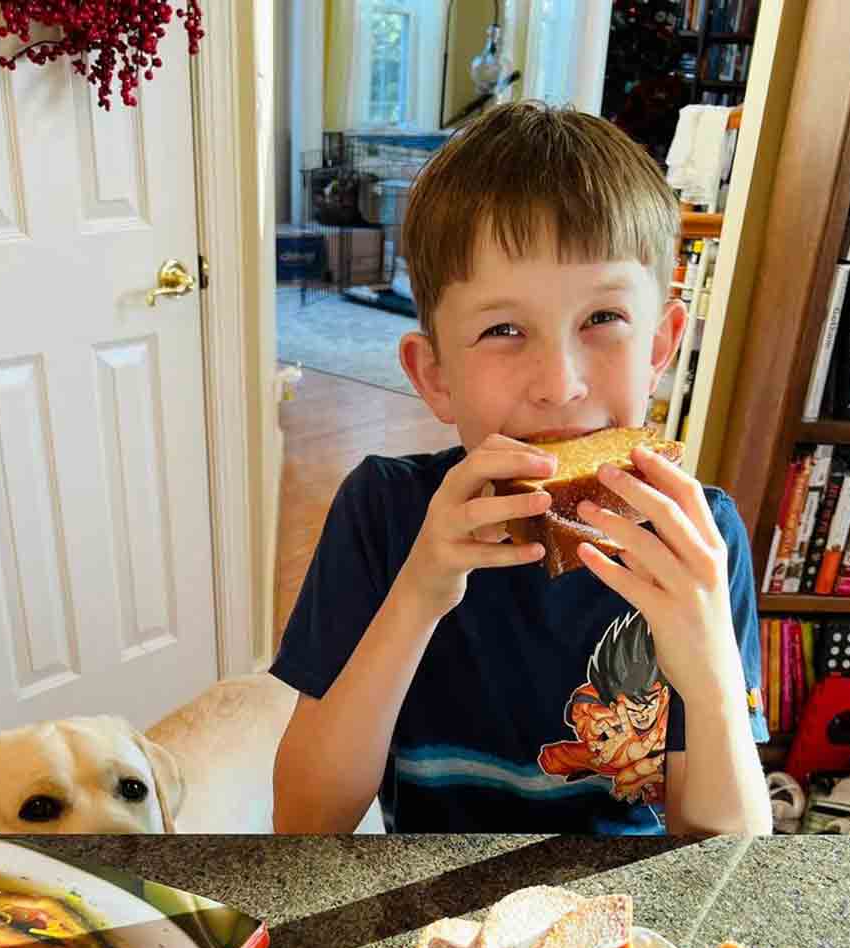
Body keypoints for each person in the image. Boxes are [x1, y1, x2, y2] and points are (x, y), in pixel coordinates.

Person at [272, 101, 771, 836]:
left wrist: (709, 666)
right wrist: (418, 595)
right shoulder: (382, 510)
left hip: (625, 906)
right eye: (503, 330)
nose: (560, 382)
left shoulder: (697, 534)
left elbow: (724, 854)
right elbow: (307, 823)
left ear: (662, 346)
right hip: (432, 902)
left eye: (602, 321)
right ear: (435, 375)